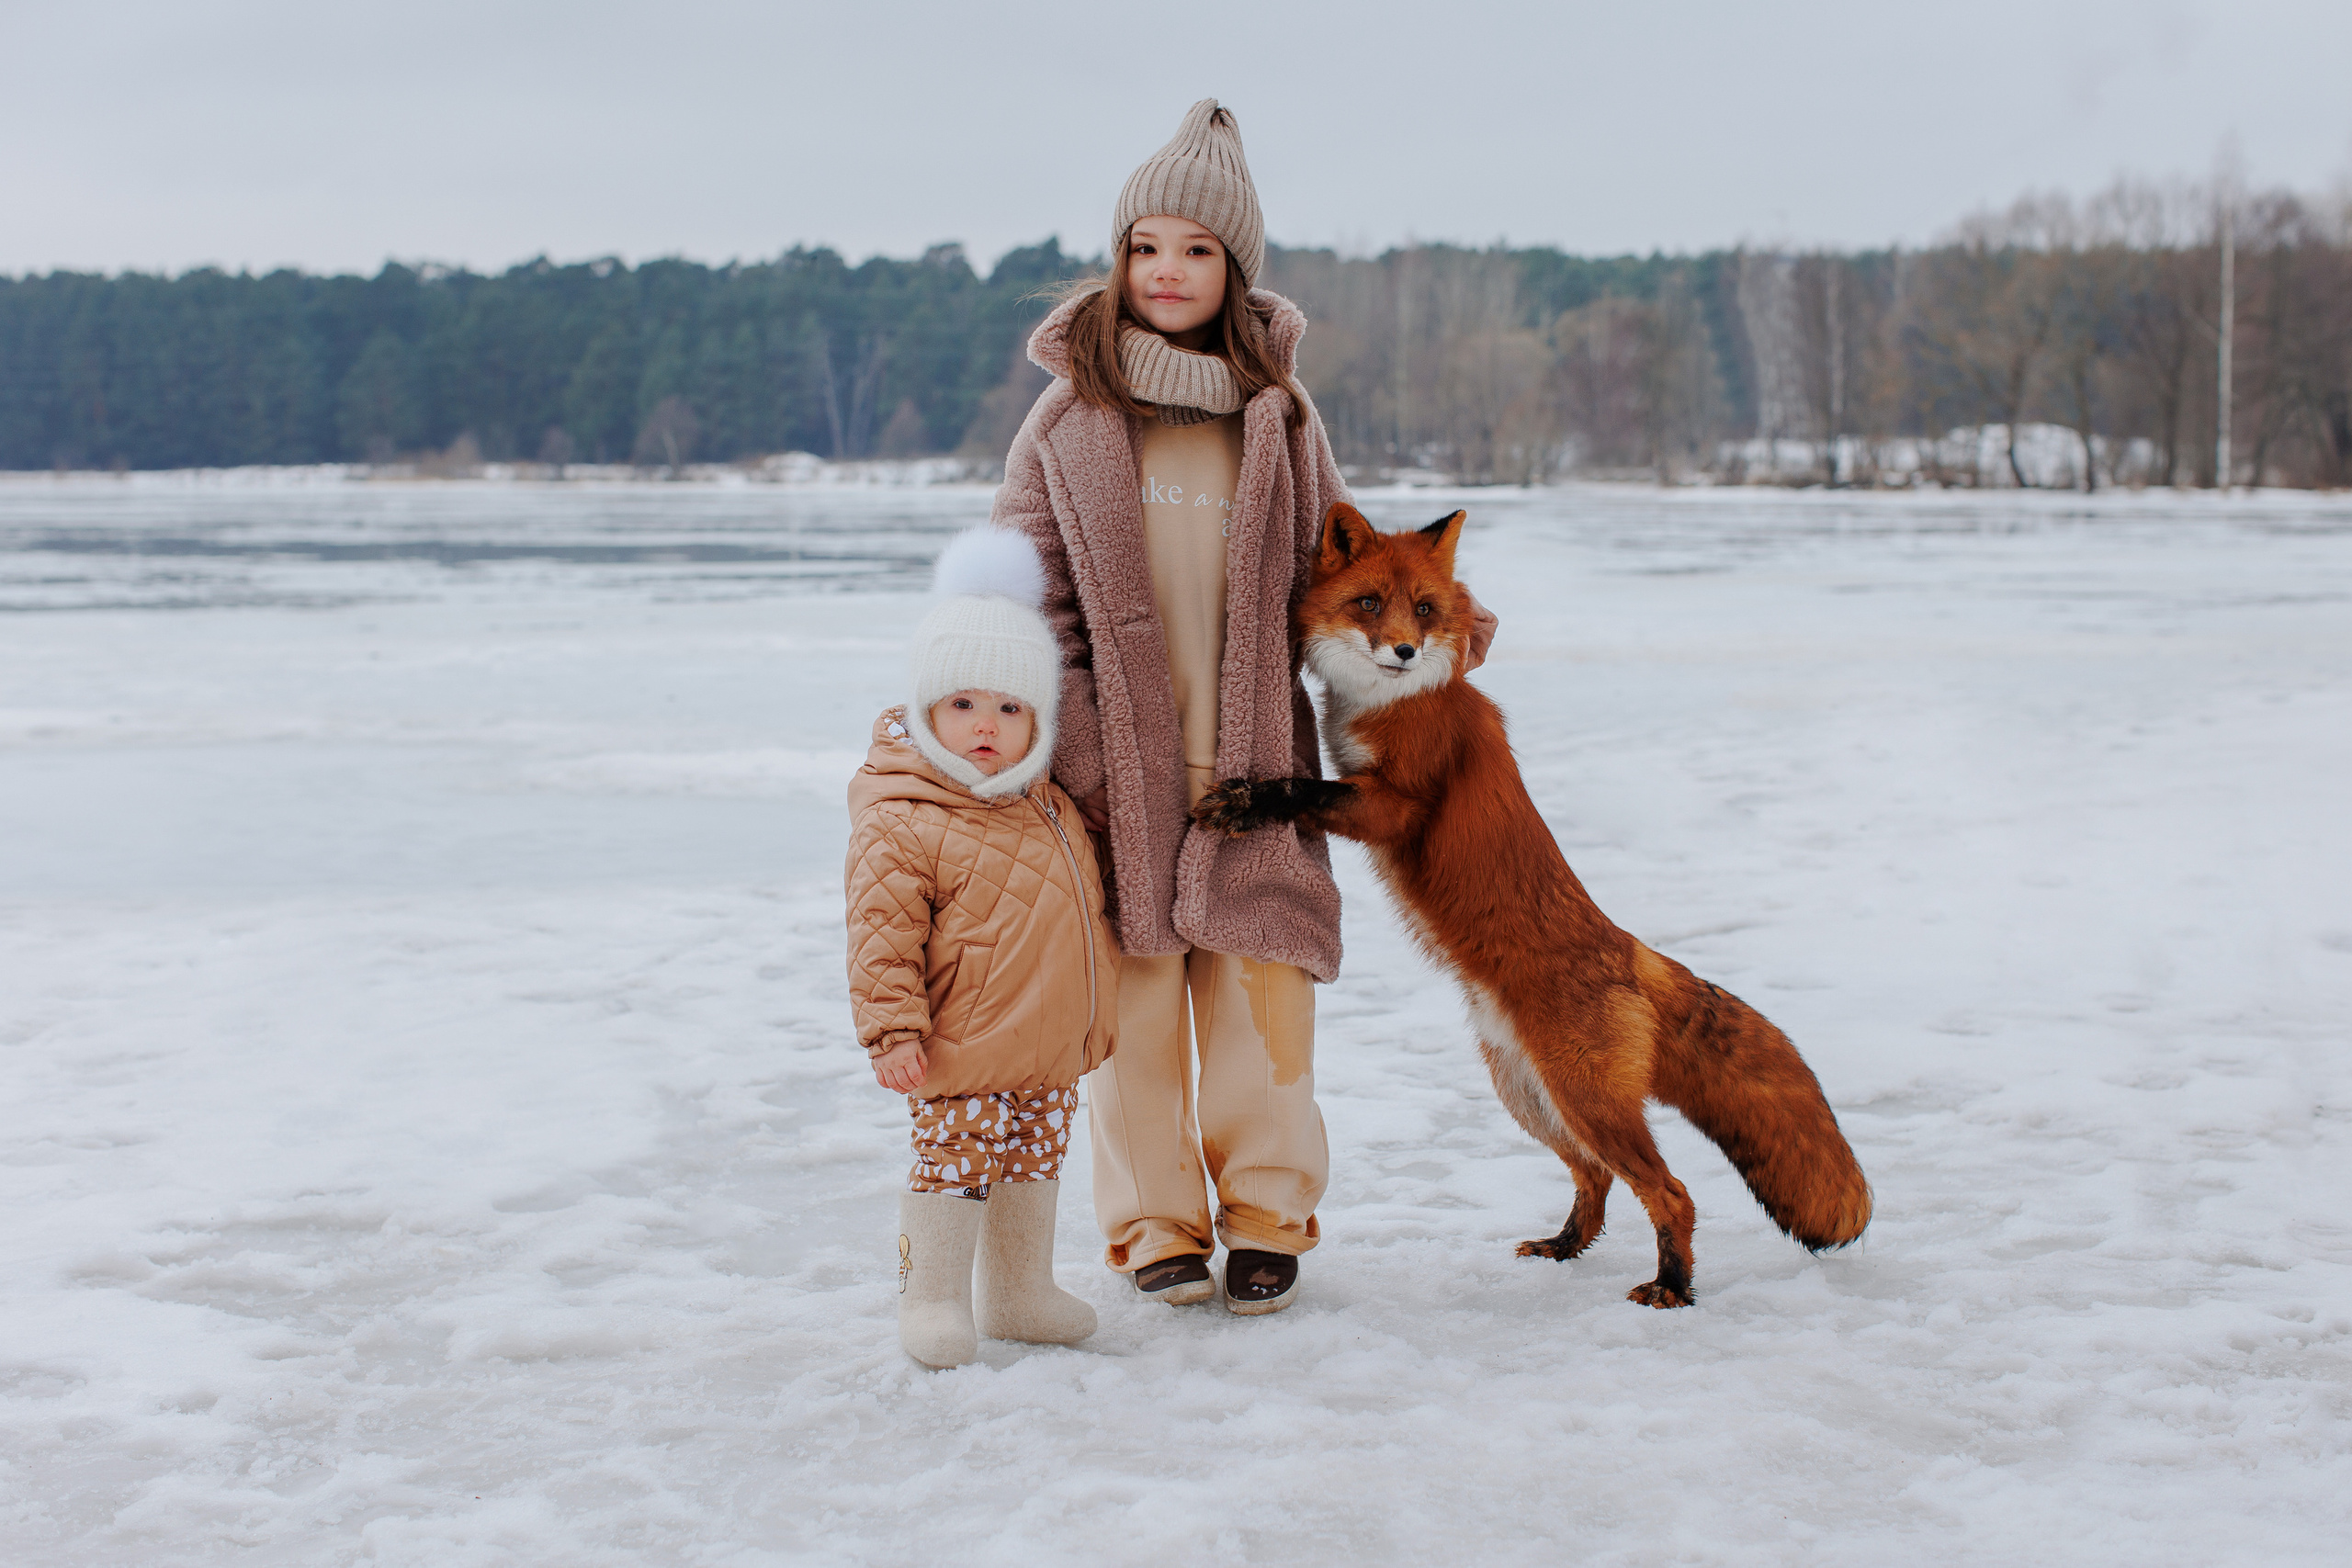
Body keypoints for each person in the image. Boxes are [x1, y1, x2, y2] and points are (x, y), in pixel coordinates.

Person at [992, 99, 1496, 1315]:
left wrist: (1438, 618)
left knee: (1263, 988)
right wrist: (1075, 735)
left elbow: (1343, 564)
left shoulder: (1281, 415)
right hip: (1117, 759)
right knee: (1138, 1005)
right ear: (1121, 260)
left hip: (1258, 751)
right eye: (1147, 247)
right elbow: (1023, 589)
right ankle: (1155, 1223)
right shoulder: (1067, 420)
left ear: (1233, 269)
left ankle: (1269, 1211)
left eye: (1197, 251)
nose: (1167, 272)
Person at [843, 525, 1122, 1368]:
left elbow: (1079, 916)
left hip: (1045, 1048)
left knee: (1036, 1155)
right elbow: (879, 936)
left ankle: (1017, 1290)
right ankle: (931, 1295)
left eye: (1009, 706)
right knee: (957, 1160)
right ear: (927, 709)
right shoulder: (903, 816)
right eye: (963, 704)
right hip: (956, 1047)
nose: (986, 727)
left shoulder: (1046, 804)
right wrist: (892, 1031)